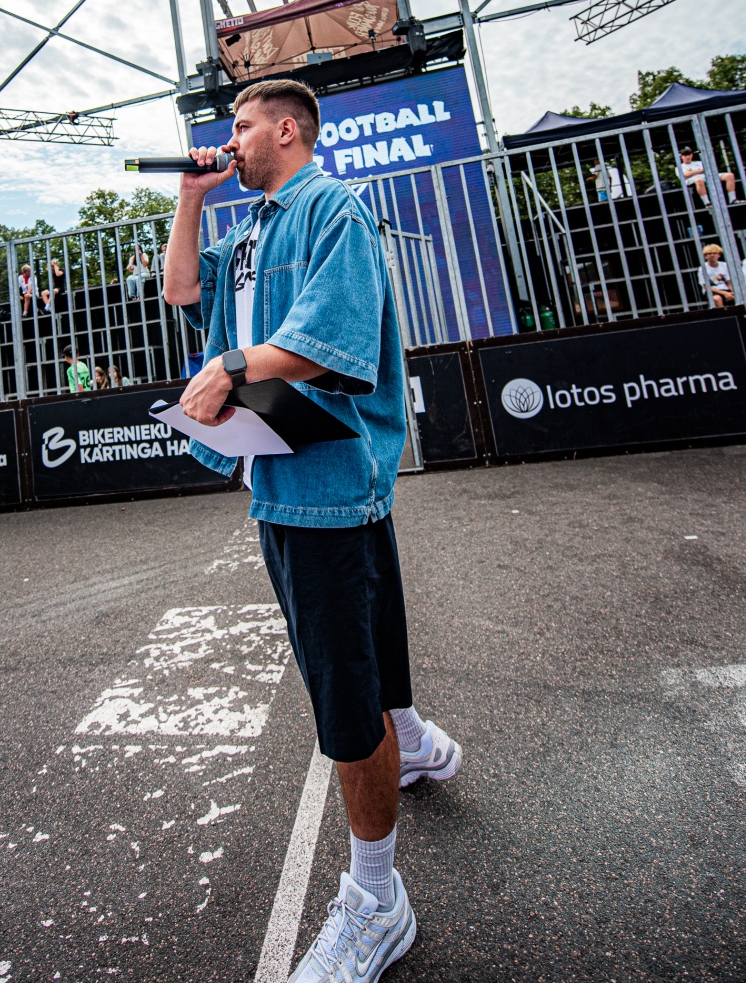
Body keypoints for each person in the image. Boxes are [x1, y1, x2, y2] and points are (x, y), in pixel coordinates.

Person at [164, 78, 461, 983]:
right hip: (283, 469)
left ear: (285, 130)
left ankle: (377, 902)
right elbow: (181, 288)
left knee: (341, 691)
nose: (231, 141)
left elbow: (329, 339)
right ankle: (412, 743)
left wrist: (229, 365)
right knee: (365, 639)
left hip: (326, 475)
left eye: (242, 127)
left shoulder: (332, 207)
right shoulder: (249, 230)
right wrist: (190, 198)